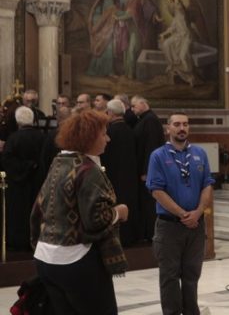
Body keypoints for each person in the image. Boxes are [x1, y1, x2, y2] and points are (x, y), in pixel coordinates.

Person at [30, 110, 129, 315]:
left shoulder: (59, 162)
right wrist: (119, 212)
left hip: (46, 257)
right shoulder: (87, 170)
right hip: (75, 260)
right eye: (104, 134)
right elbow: (96, 220)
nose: (108, 139)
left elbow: (37, 210)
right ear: (89, 137)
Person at [146, 111, 214, 315]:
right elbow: (157, 191)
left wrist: (198, 212)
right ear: (168, 128)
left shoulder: (200, 153)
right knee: (169, 276)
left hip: (196, 225)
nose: (182, 128)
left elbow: (207, 185)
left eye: (185, 124)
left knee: (192, 274)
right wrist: (183, 214)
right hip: (169, 226)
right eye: (177, 124)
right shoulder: (158, 156)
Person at [1, 106, 46, 250]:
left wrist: (24, 168)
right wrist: (33, 166)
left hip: (18, 185)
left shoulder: (13, 138)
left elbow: (7, 160)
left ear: (17, 121)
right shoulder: (42, 137)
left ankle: (19, 241)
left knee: (19, 214)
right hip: (38, 182)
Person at [101, 99, 139, 246]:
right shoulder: (131, 130)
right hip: (130, 175)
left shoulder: (109, 132)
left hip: (113, 175)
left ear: (110, 113)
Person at [131, 95, 165, 241]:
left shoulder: (150, 120)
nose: (132, 109)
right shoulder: (144, 119)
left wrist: (147, 170)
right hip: (145, 169)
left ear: (143, 103)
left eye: (134, 105)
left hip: (148, 170)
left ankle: (151, 233)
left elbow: (151, 147)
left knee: (149, 203)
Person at [159, 0, 196, 87]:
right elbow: (172, 29)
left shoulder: (181, 11)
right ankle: (173, 64)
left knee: (183, 57)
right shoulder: (175, 17)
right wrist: (163, 35)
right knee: (166, 44)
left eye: (172, 2)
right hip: (178, 37)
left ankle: (190, 77)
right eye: (170, 3)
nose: (172, 5)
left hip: (186, 37)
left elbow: (179, 2)